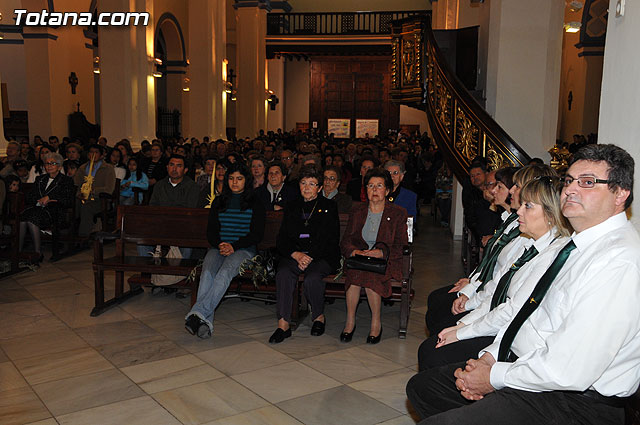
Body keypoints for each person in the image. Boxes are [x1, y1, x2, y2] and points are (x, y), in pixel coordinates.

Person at [406, 144, 640, 425]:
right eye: (568, 181)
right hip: (533, 368)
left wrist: (494, 377)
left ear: (621, 194)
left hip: (573, 402)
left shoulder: (619, 261)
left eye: (588, 182)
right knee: (425, 387)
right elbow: (529, 314)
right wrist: (491, 357)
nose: (571, 190)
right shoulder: (576, 246)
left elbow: (568, 369)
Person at [418, 174, 571, 370]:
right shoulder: (532, 245)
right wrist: (463, 325)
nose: (520, 212)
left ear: (551, 214)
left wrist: (463, 331)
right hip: (500, 322)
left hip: (517, 340)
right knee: (436, 336)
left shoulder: (549, 255)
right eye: (522, 204)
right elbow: (497, 285)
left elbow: (510, 310)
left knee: (433, 352)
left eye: (528, 206)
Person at [184, 162, 266, 339]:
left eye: (239, 178)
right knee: (207, 273)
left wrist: (234, 246)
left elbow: (256, 234)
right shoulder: (220, 201)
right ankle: (203, 323)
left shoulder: (255, 202)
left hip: (244, 249)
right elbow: (211, 231)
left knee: (225, 272)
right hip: (219, 247)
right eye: (231, 178)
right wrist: (220, 244)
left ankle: (197, 312)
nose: (234, 182)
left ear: (247, 180)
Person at [269, 166, 340, 343]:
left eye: (312, 184)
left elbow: (329, 238)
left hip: (321, 256)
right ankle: (283, 324)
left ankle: (318, 316)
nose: (307, 187)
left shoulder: (329, 206)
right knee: (284, 274)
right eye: (303, 183)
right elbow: (282, 238)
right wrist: (296, 254)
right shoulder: (292, 206)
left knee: (312, 277)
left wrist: (308, 257)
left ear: (320, 187)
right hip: (295, 255)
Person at [340, 168, 408, 344]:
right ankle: (350, 321)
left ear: (387, 191)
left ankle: (376, 323)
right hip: (360, 259)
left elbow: (402, 245)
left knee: (370, 276)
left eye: (379, 186)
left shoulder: (398, 213)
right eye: (370, 186)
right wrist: (354, 251)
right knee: (355, 277)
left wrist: (382, 252)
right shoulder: (358, 211)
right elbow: (346, 239)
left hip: (386, 261)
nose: (374, 190)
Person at [19, 152, 75, 261]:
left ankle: (38, 253)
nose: (49, 166)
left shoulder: (66, 180)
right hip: (37, 208)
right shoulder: (40, 179)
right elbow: (30, 196)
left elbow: (67, 200)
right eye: (47, 163)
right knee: (22, 218)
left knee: (31, 219)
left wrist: (49, 197)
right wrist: (38, 200)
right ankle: (18, 253)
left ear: (59, 166)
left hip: (55, 211)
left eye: (52, 163)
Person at [74, 144, 116, 238]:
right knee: (72, 204)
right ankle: (69, 233)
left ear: (101, 155)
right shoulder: (82, 168)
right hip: (83, 197)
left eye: (96, 152)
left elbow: (109, 189)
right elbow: (76, 184)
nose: (93, 154)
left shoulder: (108, 168)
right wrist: (79, 193)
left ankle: (83, 236)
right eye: (91, 152)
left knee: (86, 207)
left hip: (100, 200)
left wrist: (93, 190)